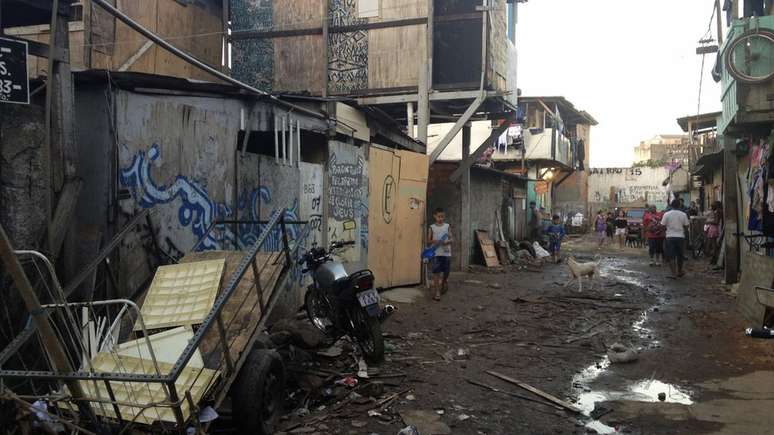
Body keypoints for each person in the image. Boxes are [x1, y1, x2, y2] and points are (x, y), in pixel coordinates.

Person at [661, 199, 690, 279]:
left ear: (671, 205)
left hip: (670, 237)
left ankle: (674, 274)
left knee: (671, 256)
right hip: (680, 237)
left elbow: (662, 226)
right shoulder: (683, 214)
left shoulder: (666, 214)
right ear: (679, 205)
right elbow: (686, 226)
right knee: (680, 255)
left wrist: (665, 234)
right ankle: (679, 271)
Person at [428, 208, 452, 301]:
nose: (441, 218)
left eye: (442, 216)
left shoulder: (447, 226)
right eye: (439, 216)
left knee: (446, 272)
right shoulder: (432, 227)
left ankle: (444, 281)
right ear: (435, 216)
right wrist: (435, 241)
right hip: (436, 253)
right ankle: (437, 292)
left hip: (446, 253)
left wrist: (447, 241)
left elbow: (451, 238)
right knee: (436, 273)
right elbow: (428, 240)